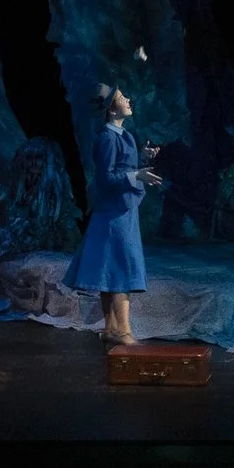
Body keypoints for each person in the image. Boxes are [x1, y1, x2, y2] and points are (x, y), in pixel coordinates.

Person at [64, 86, 163, 346]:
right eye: (121, 98)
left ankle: (110, 328)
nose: (128, 100)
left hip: (123, 208)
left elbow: (124, 166)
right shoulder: (107, 138)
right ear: (111, 109)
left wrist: (142, 159)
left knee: (111, 269)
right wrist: (136, 175)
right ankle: (124, 332)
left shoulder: (125, 136)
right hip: (113, 213)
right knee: (121, 269)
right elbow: (105, 179)